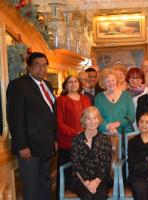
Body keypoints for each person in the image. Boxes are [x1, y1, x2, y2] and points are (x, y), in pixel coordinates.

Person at [6, 52, 57, 200]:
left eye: (44, 65)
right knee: (31, 187)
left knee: (45, 184)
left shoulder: (47, 85)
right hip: (29, 148)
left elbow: (51, 114)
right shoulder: (18, 85)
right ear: (28, 67)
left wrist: (54, 139)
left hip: (46, 144)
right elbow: (15, 118)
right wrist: (22, 146)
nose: (42, 69)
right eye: (37, 65)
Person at [56, 75, 91, 194]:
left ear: (79, 84)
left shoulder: (86, 99)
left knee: (84, 172)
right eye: (70, 82)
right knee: (68, 173)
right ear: (65, 85)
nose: (73, 84)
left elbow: (91, 117)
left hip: (86, 140)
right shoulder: (61, 100)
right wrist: (76, 133)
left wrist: (87, 133)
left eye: (75, 81)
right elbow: (59, 122)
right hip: (67, 142)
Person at [71, 106, 112, 200]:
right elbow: (76, 164)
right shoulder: (76, 140)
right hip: (81, 179)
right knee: (87, 196)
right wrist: (87, 183)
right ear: (83, 121)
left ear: (99, 120)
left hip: (101, 178)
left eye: (94, 118)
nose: (92, 121)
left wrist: (96, 182)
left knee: (100, 196)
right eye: (88, 118)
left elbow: (105, 164)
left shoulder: (105, 139)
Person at [95, 68, 135, 135]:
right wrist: (108, 127)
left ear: (116, 80)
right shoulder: (99, 98)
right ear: (103, 83)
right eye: (107, 81)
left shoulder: (126, 95)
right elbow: (97, 118)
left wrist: (117, 124)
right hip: (106, 134)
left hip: (125, 134)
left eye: (112, 80)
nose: (111, 83)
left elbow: (131, 116)